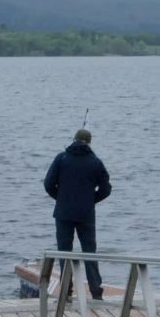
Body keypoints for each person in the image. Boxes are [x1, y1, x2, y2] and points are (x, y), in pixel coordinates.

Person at [44, 128, 112, 300]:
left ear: (73, 139)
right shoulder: (95, 162)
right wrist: (91, 200)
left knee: (64, 252)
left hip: (63, 213)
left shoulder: (61, 158)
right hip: (86, 214)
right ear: (89, 143)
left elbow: (48, 184)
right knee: (89, 252)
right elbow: (106, 188)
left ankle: (66, 290)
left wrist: (60, 198)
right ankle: (96, 291)